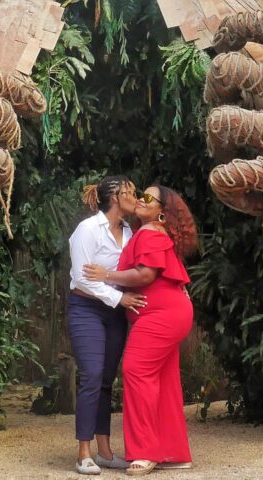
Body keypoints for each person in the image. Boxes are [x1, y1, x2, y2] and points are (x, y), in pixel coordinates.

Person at [84, 185, 197, 477]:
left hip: (161, 316)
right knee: (163, 380)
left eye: (148, 197)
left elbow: (145, 274)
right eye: (140, 195)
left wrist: (105, 274)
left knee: (136, 371)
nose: (141, 200)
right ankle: (173, 453)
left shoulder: (149, 233)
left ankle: (145, 452)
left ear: (162, 212)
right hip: (167, 313)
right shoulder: (148, 233)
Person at [68, 176, 145, 475]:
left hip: (113, 312)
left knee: (106, 380)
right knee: (91, 375)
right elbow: (83, 277)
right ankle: (83, 452)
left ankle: (104, 451)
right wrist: (119, 297)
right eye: (131, 192)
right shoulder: (87, 230)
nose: (136, 197)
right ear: (116, 196)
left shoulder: (129, 231)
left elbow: (135, 272)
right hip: (86, 308)